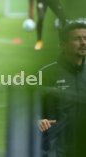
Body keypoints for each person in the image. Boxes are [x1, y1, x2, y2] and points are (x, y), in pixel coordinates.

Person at [37, 18, 86, 157]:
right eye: (77, 39)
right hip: (55, 148)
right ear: (63, 45)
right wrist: (37, 120)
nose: (83, 43)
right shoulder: (45, 74)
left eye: (85, 38)